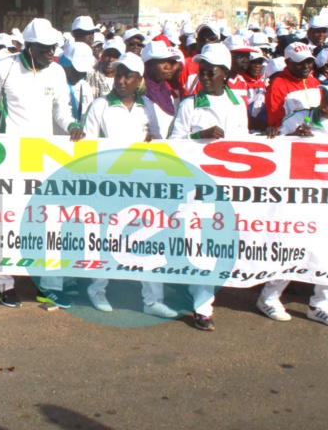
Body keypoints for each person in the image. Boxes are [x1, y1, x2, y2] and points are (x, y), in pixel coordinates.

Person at [0, 18, 84, 309]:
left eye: (54, 47)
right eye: (45, 48)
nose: (52, 52)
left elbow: (61, 109)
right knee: (7, 220)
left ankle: (49, 285)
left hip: (45, 156)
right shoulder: (5, 67)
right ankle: (5, 284)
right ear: (28, 46)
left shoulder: (57, 72)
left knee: (48, 222)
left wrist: (72, 124)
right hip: (11, 155)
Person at [82, 52, 178, 317]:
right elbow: (86, 149)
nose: (121, 80)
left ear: (139, 80)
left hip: (139, 184)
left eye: (128, 76)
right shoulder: (100, 105)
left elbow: (157, 139)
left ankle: (152, 300)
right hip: (108, 184)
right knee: (106, 240)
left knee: (148, 239)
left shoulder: (147, 106)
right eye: (119, 74)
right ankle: (97, 290)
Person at [259, 77, 328, 327]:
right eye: (324, 97)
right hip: (299, 198)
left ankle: (322, 304)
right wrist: (291, 136)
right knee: (290, 246)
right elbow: (270, 146)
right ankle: (268, 298)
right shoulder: (299, 117)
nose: (324, 104)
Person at [169, 42, 248, 331]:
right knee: (199, 244)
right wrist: (199, 135)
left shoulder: (238, 105)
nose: (202, 77)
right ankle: (203, 307)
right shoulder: (189, 104)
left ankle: (199, 294)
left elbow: (245, 146)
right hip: (195, 190)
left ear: (224, 74)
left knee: (214, 247)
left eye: (209, 72)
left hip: (226, 188)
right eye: (201, 71)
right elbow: (172, 145)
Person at [265, 42, 321, 128]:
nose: (305, 66)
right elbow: (275, 123)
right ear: (287, 62)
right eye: (300, 62)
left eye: (309, 61)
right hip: (292, 138)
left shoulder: (315, 83)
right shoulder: (277, 86)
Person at [140, 41, 181, 138]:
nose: (168, 66)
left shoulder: (167, 92)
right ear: (148, 65)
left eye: (169, 61)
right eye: (162, 62)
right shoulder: (140, 95)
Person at [58, 41, 96, 132]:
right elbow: (59, 112)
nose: (80, 74)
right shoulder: (55, 84)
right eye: (76, 70)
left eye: (83, 71)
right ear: (66, 64)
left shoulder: (85, 87)